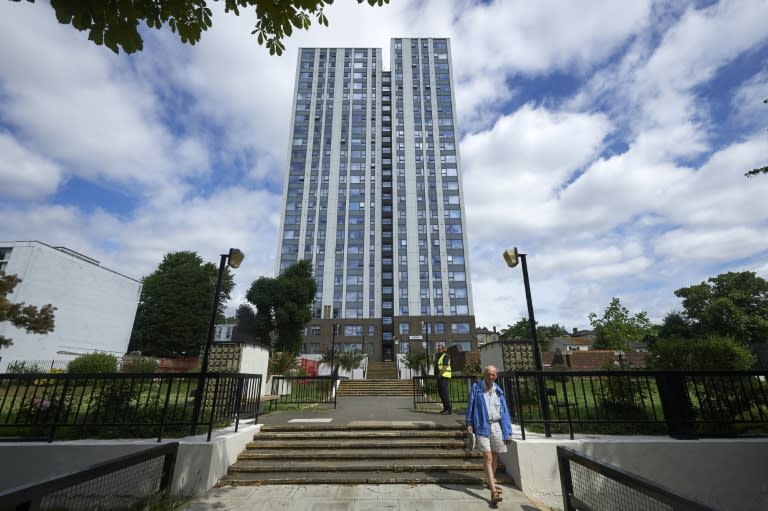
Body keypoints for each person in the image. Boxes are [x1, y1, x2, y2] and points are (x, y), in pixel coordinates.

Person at [465, 365, 513, 503]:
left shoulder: (499, 391)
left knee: (495, 455)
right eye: (488, 374)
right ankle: (493, 491)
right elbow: (471, 405)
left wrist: (508, 432)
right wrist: (469, 423)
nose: (490, 377)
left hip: (497, 426)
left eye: (493, 374)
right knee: (487, 456)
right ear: (484, 375)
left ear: (496, 376)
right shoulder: (477, 388)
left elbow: (504, 412)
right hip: (482, 425)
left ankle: (489, 480)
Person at [435, 344, 452, 415]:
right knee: (441, 394)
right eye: (438, 348)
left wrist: (439, 374)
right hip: (440, 377)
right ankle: (445, 409)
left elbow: (445, 367)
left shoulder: (445, 356)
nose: (438, 349)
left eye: (440, 348)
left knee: (444, 394)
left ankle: (448, 410)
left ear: (443, 349)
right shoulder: (439, 356)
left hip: (443, 377)